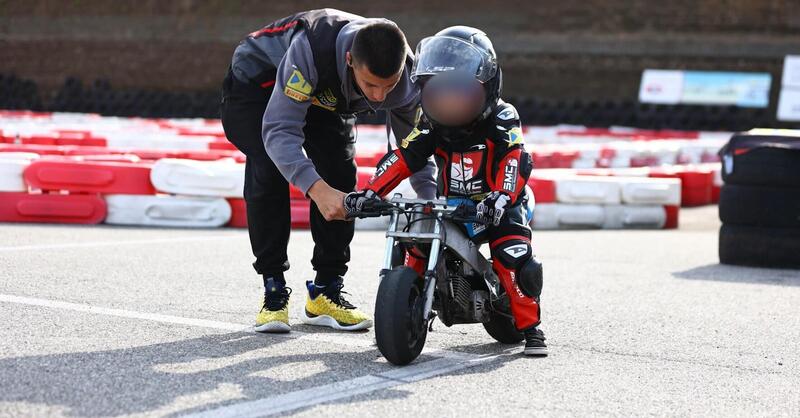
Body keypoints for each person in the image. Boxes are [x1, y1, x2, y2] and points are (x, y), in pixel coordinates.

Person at [220, 9, 437, 333]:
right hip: (259, 83)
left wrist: (430, 200)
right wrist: (316, 190)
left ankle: (326, 291)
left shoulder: (406, 79)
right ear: (350, 60)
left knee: (341, 174)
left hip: (326, 96)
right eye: (371, 85)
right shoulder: (312, 49)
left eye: (387, 86)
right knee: (270, 165)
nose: (378, 98)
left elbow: (413, 145)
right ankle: (274, 290)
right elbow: (280, 130)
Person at [345, 26, 547, 356]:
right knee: (413, 237)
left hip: (502, 202)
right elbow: (405, 155)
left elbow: (515, 158)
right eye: (439, 91)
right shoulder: (430, 121)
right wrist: (370, 192)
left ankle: (531, 328)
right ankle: (403, 313)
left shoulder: (502, 115)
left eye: (459, 91)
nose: (448, 100)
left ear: (487, 85)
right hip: (453, 204)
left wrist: (501, 196)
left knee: (512, 255)